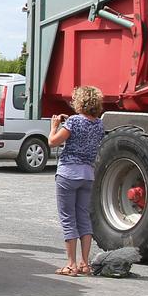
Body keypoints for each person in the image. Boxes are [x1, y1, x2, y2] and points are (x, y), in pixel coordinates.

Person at [48, 86, 105, 276]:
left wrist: (54, 126)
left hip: (68, 173)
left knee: (68, 219)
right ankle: (84, 264)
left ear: (79, 102)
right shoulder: (99, 124)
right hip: (87, 175)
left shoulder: (73, 121)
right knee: (83, 218)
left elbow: (53, 142)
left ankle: (71, 264)